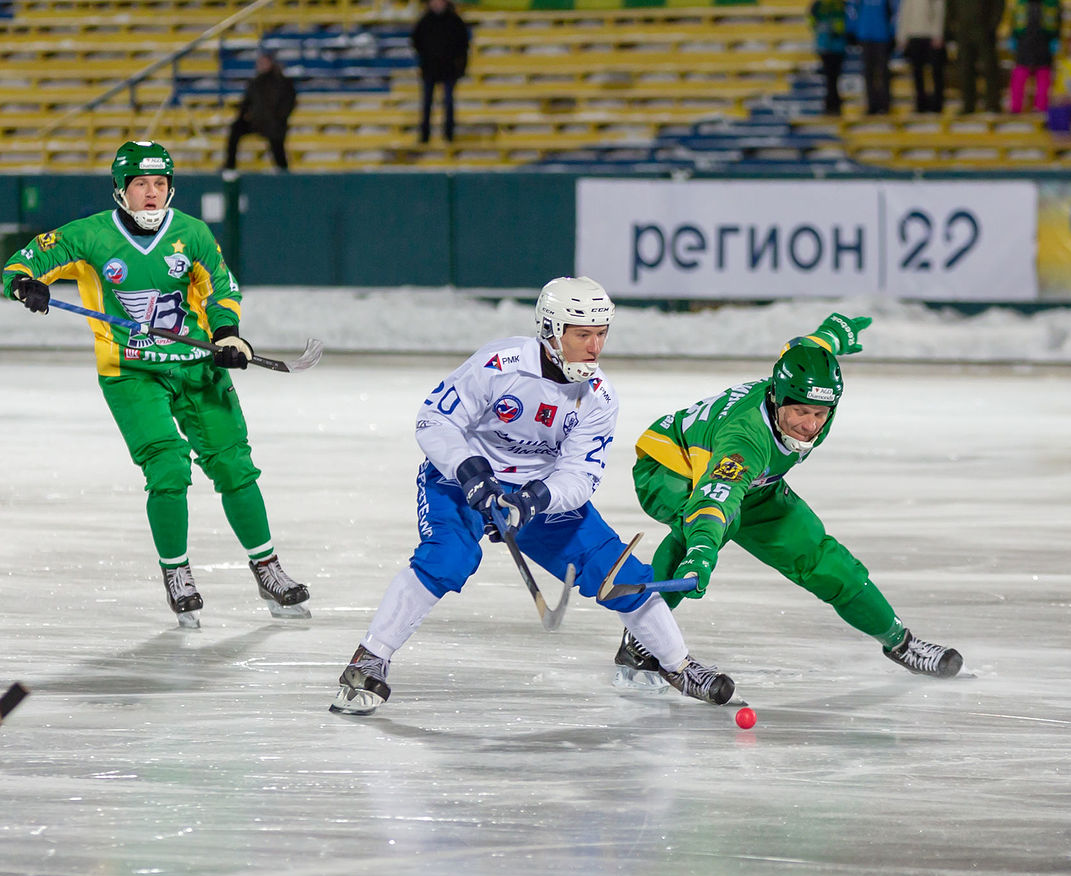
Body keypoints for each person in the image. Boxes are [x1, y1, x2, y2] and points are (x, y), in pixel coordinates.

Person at [330, 277, 734, 715]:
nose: (595, 347)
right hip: (460, 479)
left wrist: (533, 499)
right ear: (550, 331)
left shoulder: (599, 398)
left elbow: (580, 476)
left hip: (536, 493)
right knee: (449, 558)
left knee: (616, 569)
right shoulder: (498, 365)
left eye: (601, 334)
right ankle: (369, 657)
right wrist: (470, 471)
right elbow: (435, 420)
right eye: (582, 334)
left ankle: (678, 665)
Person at [1, 140, 309, 628]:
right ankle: (177, 573)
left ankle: (267, 567)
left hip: (196, 366)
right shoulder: (88, 235)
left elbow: (221, 288)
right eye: (140, 183)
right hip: (131, 373)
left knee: (234, 465)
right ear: (121, 189)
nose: (151, 193)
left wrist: (227, 334)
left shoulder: (191, 233)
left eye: (159, 183)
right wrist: (24, 284)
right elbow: (21, 263)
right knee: (168, 468)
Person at [614, 314, 963, 685]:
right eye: (799, 411)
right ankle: (642, 639)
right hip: (670, 468)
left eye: (819, 413)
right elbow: (714, 500)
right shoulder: (746, 439)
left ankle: (901, 643)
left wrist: (831, 335)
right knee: (709, 527)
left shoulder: (804, 384)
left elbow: (804, 348)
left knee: (822, 558)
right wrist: (701, 550)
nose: (810, 425)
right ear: (777, 398)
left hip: (754, 482)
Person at [223, 51, 297, 172]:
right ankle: (229, 166)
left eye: (263, 63)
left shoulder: (282, 82)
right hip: (256, 122)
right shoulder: (255, 82)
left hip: (274, 123)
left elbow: (289, 103)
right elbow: (247, 102)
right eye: (259, 63)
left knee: (277, 145)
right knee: (236, 128)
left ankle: (283, 172)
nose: (261, 66)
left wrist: (279, 118)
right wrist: (241, 113)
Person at [410, 0, 471, 144]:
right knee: (427, 103)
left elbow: (463, 44)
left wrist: (459, 66)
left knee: (448, 102)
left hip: (449, 69)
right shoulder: (424, 21)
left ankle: (449, 134)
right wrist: (425, 58)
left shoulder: (455, 21)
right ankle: (425, 135)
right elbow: (416, 41)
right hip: (429, 69)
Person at [949, 0, 1004, 113]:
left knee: (989, 68)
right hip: (963, 30)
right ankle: (968, 105)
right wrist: (952, 26)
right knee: (965, 69)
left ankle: (992, 104)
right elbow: (950, 6)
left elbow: (998, 5)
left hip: (984, 30)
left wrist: (992, 25)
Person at [1008, 0, 1060, 115]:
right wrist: (1013, 36)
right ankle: (1015, 107)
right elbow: (1014, 22)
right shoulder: (1021, 4)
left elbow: (1058, 23)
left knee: (1043, 78)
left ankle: (1041, 107)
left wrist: (1055, 38)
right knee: (1019, 77)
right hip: (1024, 46)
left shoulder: (1052, 4)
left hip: (1043, 46)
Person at [896, 0, 947, 113]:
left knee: (936, 71)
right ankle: (920, 104)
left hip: (930, 35)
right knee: (917, 72)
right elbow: (905, 13)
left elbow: (939, 10)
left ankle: (937, 104)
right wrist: (902, 36)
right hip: (914, 35)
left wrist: (938, 34)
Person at [851, 0, 898, 115]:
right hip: (865, 36)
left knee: (883, 72)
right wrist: (854, 31)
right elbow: (853, 11)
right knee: (868, 72)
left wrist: (892, 33)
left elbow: (893, 13)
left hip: (882, 36)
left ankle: (885, 105)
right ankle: (872, 105)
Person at [810, 0, 850, 115]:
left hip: (830, 45)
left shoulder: (834, 4)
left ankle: (832, 105)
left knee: (832, 77)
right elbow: (812, 20)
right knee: (831, 77)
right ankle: (833, 105)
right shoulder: (824, 4)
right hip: (831, 46)